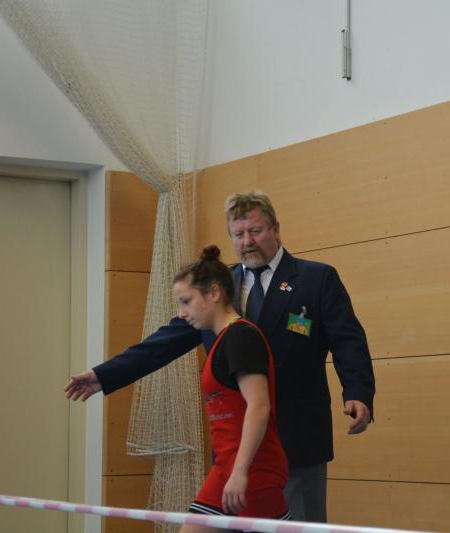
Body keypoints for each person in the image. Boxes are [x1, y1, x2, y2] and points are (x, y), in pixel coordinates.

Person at [65, 191, 375, 523]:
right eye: (238, 234)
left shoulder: (316, 279)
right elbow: (162, 344)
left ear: (275, 229)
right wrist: (104, 375)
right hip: (234, 446)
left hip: (297, 437)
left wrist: (357, 391)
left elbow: (348, 340)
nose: (247, 242)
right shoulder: (217, 287)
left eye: (255, 231)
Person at [172, 244, 290, 526]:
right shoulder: (221, 340)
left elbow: (259, 407)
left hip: (253, 470)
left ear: (214, 293)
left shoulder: (241, 337)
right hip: (224, 468)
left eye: (186, 301)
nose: (181, 313)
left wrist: (240, 472)